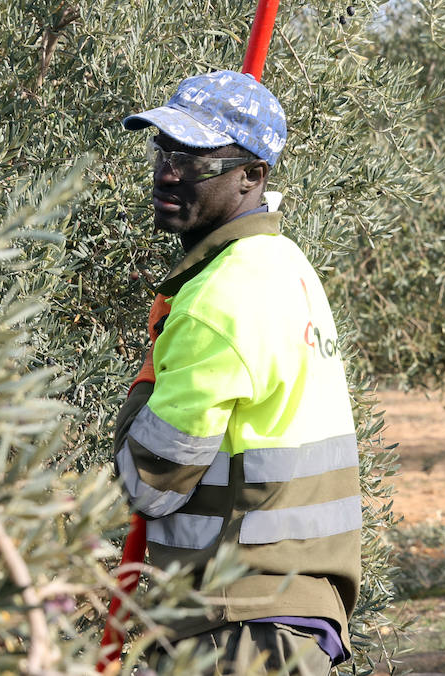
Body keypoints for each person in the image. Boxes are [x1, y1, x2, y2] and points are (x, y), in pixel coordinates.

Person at [113, 70, 360, 675]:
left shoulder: (217, 298)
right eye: (163, 150)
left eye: (196, 160)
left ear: (252, 175)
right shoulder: (287, 265)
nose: (168, 173)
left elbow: (150, 483)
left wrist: (148, 372)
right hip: (288, 614)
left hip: (233, 622)